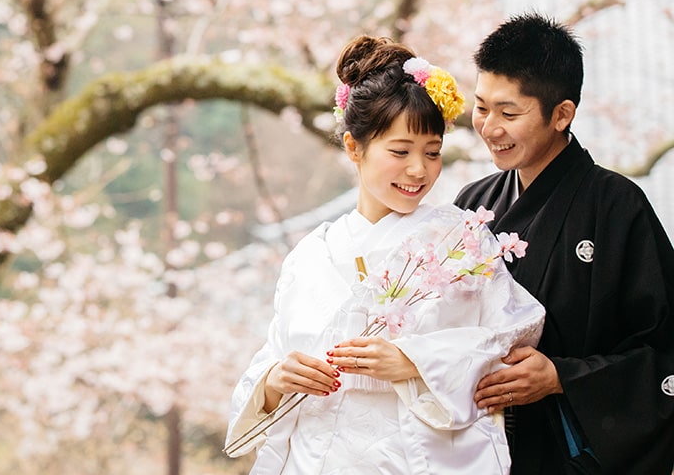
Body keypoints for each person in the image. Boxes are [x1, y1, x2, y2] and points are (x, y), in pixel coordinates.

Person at [226, 35, 545, 474]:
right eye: (400, 151)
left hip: (416, 456)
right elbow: (275, 353)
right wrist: (275, 381)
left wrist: (414, 362)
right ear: (354, 148)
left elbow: (513, 335)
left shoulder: (461, 241)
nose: (419, 170)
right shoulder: (309, 257)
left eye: (432, 153)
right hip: (319, 457)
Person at [455, 13, 674, 474]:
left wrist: (562, 377)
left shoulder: (617, 206)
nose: (489, 127)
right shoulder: (473, 204)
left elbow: (664, 353)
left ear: (562, 114)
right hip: (484, 455)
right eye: (481, 107)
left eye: (509, 113)